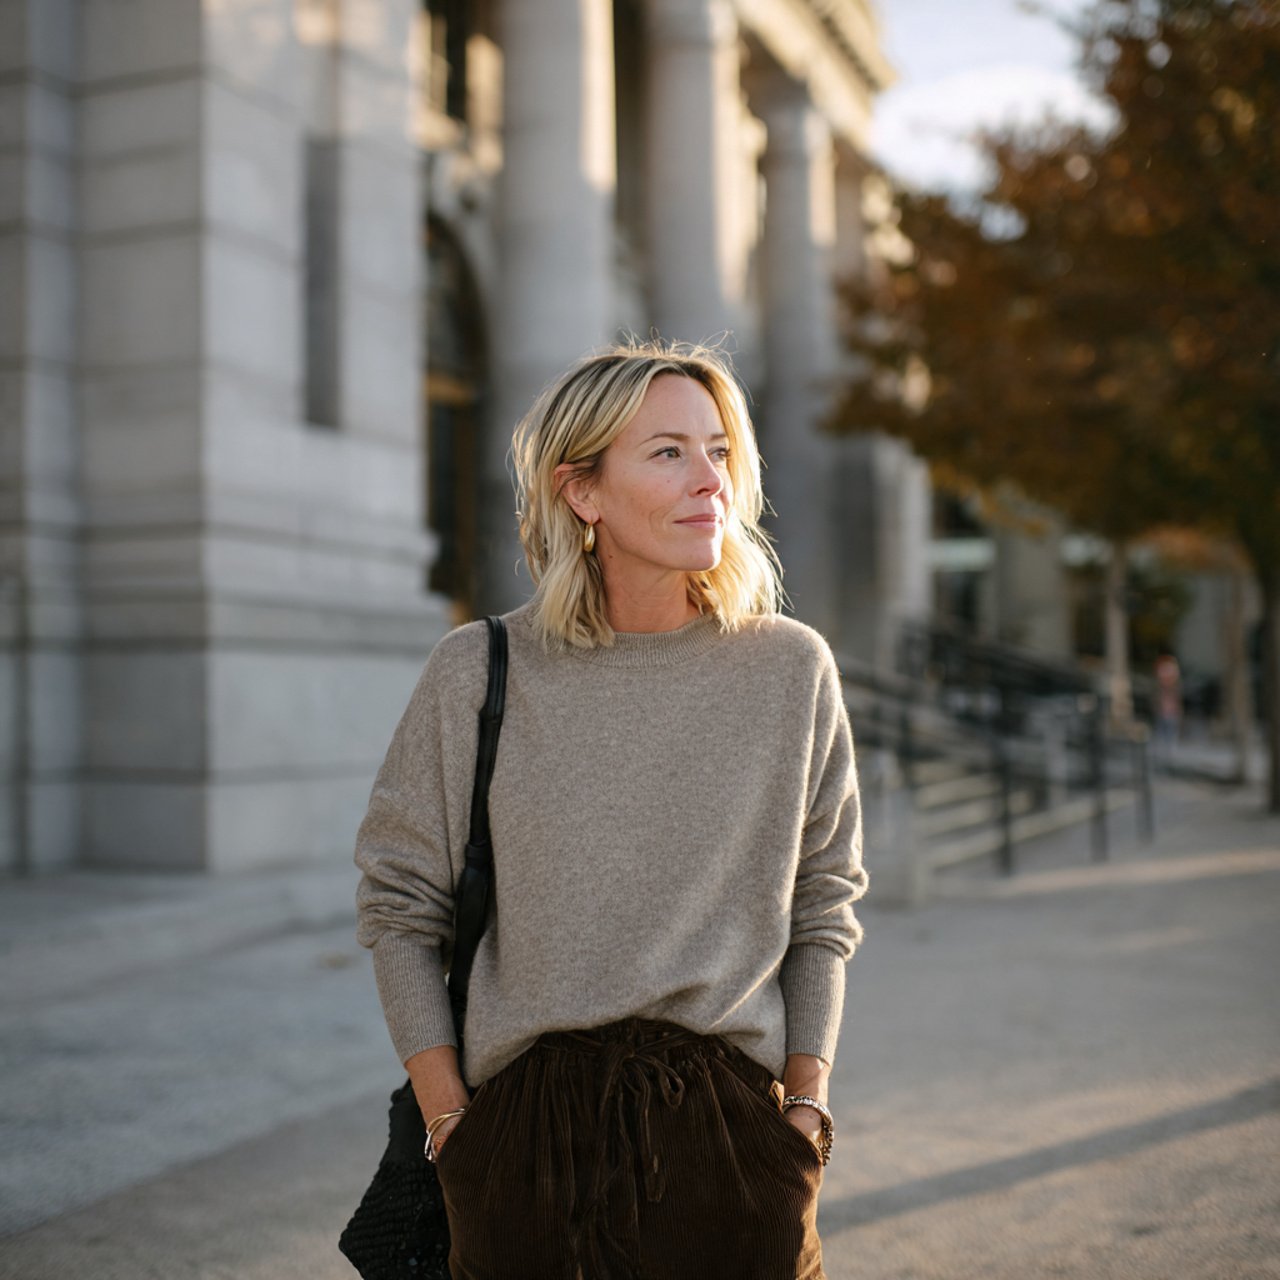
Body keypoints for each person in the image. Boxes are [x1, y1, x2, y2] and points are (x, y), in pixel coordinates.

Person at [354, 340, 868, 1280]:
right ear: (581, 492)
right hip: (520, 1151)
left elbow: (823, 903)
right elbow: (398, 906)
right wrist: (452, 1130)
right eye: (668, 452)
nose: (708, 479)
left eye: (719, 451)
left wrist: (802, 1116)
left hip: (733, 1150)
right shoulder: (478, 669)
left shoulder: (791, 670)